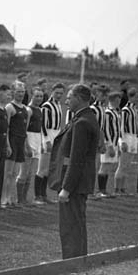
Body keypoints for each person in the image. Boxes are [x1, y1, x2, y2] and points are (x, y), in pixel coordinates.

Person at [50, 83, 99, 259]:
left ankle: (72, 260)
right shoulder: (83, 118)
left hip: (75, 184)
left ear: (79, 98)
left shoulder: (82, 122)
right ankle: (78, 258)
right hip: (79, 182)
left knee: (71, 224)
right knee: (76, 223)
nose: (66, 101)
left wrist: (66, 188)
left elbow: (77, 159)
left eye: (69, 97)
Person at [35, 83, 65, 204]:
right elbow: (43, 125)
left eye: (61, 93)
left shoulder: (58, 105)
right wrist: (46, 141)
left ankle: (43, 195)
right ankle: (37, 196)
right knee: (42, 168)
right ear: (52, 91)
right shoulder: (47, 106)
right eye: (57, 92)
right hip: (47, 137)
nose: (59, 95)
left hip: (56, 137)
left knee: (48, 169)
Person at [4, 81, 31, 207]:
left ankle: (11, 198)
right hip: (12, 141)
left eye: (22, 91)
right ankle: (4, 198)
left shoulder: (26, 109)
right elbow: (7, 128)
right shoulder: (9, 107)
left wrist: (26, 145)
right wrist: (8, 144)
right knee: (8, 172)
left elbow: (24, 129)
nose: (20, 94)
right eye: (18, 91)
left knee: (15, 173)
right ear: (13, 92)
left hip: (20, 142)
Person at [115, 90, 138, 196]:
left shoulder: (134, 109)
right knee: (122, 164)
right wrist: (123, 141)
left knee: (128, 165)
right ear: (130, 97)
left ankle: (123, 188)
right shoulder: (125, 110)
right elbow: (121, 126)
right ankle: (117, 188)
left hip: (134, 138)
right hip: (127, 137)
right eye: (136, 97)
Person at [23, 85, 45, 206]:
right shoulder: (29, 110)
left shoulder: (40, 110)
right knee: (24, 172)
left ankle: (26, 199)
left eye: (41, 96)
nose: (39, 98)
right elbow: (24, 129)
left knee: (31, 173)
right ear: (32, 95)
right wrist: (26, 145)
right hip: (30, 139)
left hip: (37, 140)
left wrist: (40, 143)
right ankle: (20, 198)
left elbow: (40, 129)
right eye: (36, 96)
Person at [98, 91, 122, 198]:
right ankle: (101, 190)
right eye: (117, 99)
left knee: (108, 166)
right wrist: (110, 145)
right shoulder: (108, 112)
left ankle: (104, 190)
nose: (119, 101)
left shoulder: (115, 111)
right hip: (109, 142)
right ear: (112, 100)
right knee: (104, 166)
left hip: (115, 142)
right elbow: (106, 129)